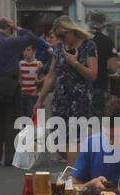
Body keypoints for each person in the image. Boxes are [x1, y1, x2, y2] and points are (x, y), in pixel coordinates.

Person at [0, 18, 50, 167]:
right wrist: (18, 27)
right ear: (9, 28)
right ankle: (9, 157)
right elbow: (34, 39)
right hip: (9, 83)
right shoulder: (13, 41)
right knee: (10, 120)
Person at [36, 16, 98, 160]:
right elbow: (51, 75)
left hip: (79, 101)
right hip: (61, 101)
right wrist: (40, 99)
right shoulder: (58, 48)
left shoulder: (88, 45)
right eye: (58, 36)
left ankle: (74, 176)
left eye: (63, 35)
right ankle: (79, 169)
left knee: (74, 142)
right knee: (58, 142)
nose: (61, 39)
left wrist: (75, 63)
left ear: (71, 31)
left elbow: (92, 74)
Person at [89, 14, 120, 116]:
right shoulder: (107, 41)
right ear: (102, 26)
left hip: (80, 86)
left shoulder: (81, 39)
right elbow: (113, 67)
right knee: (97, 118)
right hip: (99, 84)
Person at [17, 41, 41, 123]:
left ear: (34, 51)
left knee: (31, 116)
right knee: (23, 117)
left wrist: (37, 91)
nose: (25, 52)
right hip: (23, 93)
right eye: (24, 50)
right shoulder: (21, 63)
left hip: (33, 94)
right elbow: (20, 78)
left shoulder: (38, 64)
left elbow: (41, 79)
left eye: (28, 50)